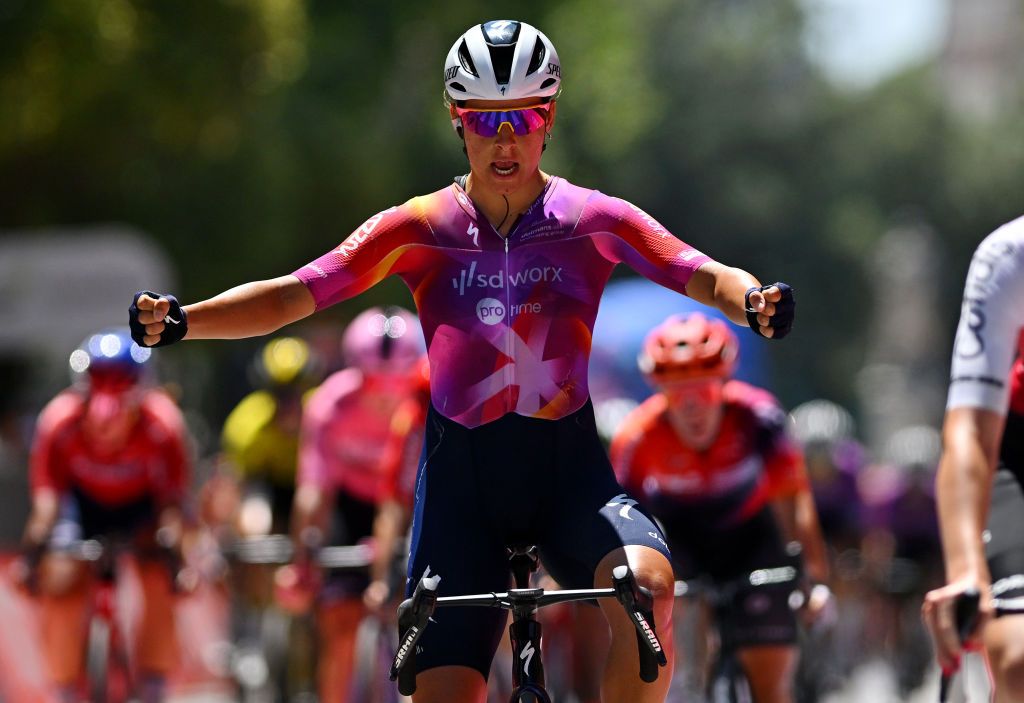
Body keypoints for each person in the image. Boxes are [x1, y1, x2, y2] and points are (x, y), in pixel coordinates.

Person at [128, 19, 796, 702]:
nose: (505, 139)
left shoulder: (594, 219)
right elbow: (292, 295)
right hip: (461, 491)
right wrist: (186, 319)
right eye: (484, 121)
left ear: (551, 117)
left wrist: (754, 300)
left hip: (571, 478)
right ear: (456, 119)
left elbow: (701, 273)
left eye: (524, 115)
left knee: (646, 592)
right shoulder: (419, 228)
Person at [610, 313, 830, 703]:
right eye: (678, 392)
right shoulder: (637, 437)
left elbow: (794, 500)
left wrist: (813, 578)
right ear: (658, 390)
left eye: (704, 390)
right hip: (681, 542)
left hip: (751, 539)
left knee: (771, 680)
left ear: (725, 383)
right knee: (656, 605)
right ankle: (684, 686)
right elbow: (618, 518)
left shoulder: (759, 419)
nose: (692, 405)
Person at [19, 328, 190, 703]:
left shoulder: (163, 425)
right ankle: (64, 687)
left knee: (159, 577)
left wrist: (176, 556)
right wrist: (33, 555)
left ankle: (152, 681)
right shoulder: (58, 422)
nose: (107, 439)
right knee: (61, 584)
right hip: (81, 508)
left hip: (142, 509)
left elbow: (171, 505)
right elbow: (47, 502)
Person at [274, 306, 425, 702]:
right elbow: (313, 490)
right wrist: (302, 557)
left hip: (411, 505)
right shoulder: (329, 404)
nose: (385, 394)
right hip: (350, 507)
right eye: (374, 381)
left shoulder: (430, 400)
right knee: (339, 621)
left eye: (397, 382)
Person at [922, 215, 1024, 697]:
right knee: (1019, 657)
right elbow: (970, 432)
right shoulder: (1010, 253)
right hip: (1017, 448)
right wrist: (968, 571)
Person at [221, 335, 322, 537]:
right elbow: (237, 485)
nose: (288, 403)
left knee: (315, 519)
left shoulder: (324, 415)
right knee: (254, 524)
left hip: (316, 485)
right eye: (280, 394)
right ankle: (260, 567)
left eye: (296, 393)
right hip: (269, 487)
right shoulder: (247, 424)